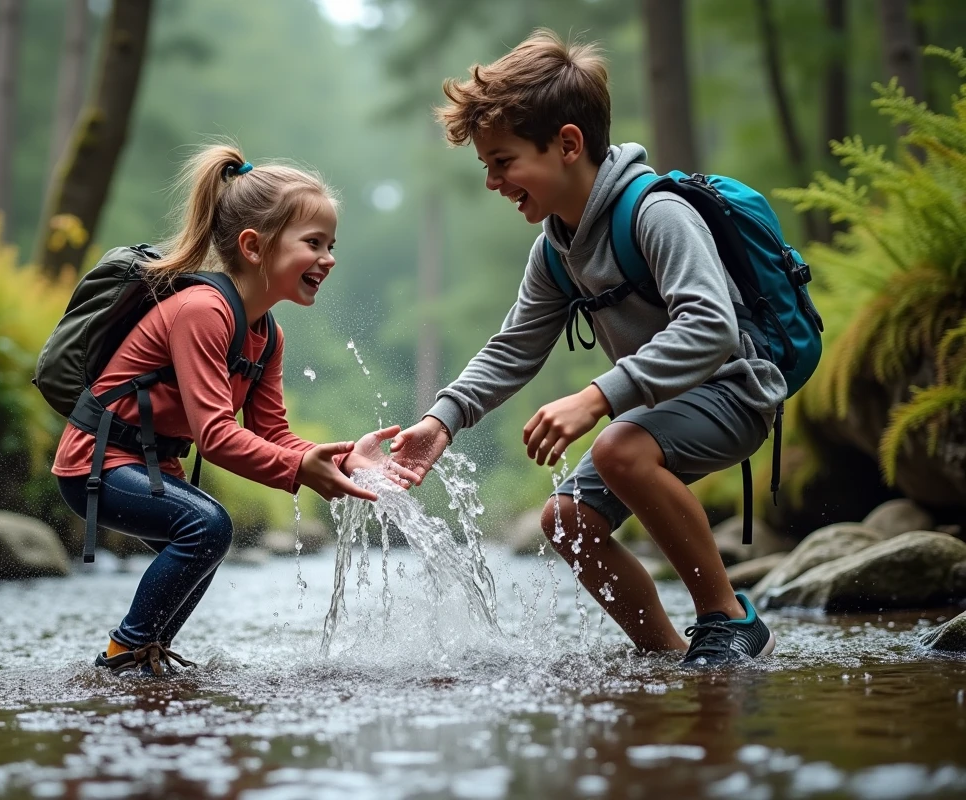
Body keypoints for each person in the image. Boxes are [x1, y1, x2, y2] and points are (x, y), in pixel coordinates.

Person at [391, 30, 784, 667]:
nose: (492, 180)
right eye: (487, 165)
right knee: (566, 521)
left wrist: (599, 396)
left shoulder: (656, 213)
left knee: (617, 446)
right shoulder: (555, 249)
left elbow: (710, 326)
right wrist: (443, 419)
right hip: (661, 412)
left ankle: (729, 618)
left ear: (568, 144)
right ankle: (668, 658)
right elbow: (514, 346)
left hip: (736, 390)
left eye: (503, 161)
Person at [53, 144, 417, 676]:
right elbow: (217, 436)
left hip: (150, 465)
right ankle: (125, 654)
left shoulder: (267, 334)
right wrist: (301, 472)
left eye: (332, 244)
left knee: (203, 540)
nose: (329, 257)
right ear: (253, 246)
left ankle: (142, 658)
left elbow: (273, 433)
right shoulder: (202, 311)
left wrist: (338, 461)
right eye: (313, 242)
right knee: (207, 528)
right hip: (96, 461)